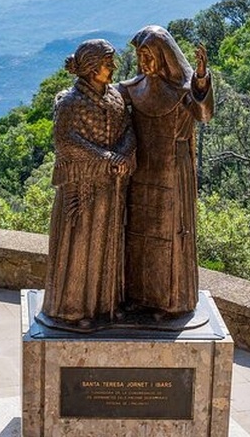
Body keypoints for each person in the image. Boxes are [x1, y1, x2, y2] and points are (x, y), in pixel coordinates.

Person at [40, 39, 136, 330]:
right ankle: (73, 308)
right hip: (81, 185)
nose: (114, 68)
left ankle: (105, 305)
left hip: (111, 185)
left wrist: (125, 153)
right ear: (93, 68)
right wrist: (107, 157)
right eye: (108, 64)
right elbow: (66, 141)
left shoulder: (116, 98)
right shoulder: (70, 102)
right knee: (81, 244)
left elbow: (129, 130)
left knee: (107, 243)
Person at [119, 25, 214, 317]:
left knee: (170, 236)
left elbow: (204, 114)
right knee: (138, 235)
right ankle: (139, 296)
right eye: (140, 56)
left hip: (173, 173)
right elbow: (105, 99)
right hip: (141, 173)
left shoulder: (183, 91)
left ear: (164, 56)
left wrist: (201, 79)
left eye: (149, 56)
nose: (144, 63)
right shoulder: (133, 88)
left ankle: (169, 301)